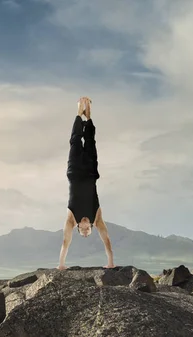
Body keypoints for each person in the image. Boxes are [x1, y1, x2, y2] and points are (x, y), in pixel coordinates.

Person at [57, 96, 115, 270]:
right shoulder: (97, 217)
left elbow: (65, 242)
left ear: (78, 228)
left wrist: (61, 265)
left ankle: (78, 112)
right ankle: (88, 115)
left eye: (81, 232)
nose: (84, 231)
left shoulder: (71, 219)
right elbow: (106, 240)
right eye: (87, 232)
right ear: (91, 228)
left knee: (75, 140)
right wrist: (111, 263)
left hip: (74, 172)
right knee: (90, 142)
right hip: (90, 172)